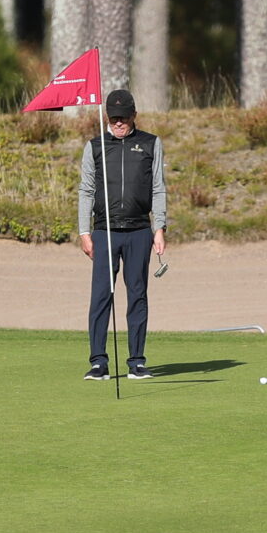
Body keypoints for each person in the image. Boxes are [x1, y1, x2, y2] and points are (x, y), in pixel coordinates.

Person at [78, 87, 167, 381]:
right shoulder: (95, 147)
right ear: (107, 116)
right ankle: (98, 362)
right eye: (114, 117)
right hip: (104, 231)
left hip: (139, 230)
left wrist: (159, 227)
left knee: (137, 295)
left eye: (124, 117)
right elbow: (86, 190)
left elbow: (158, 188)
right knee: (101, 296)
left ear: (134, 115)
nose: (119, 122)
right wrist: (83, 231)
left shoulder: (151, 143)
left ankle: (136, 362)